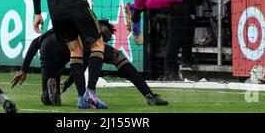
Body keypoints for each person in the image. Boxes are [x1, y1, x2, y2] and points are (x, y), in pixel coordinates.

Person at [10, 20, 168, 106]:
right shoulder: (91, 36)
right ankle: (150, 96)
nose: (104, 41)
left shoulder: (74, 20)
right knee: (117, 56)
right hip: (73, 45)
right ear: (98, 29)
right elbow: (83, 65)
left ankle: (50, 93)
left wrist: (23, 69)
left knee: (50, 100)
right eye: (104, 37)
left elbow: (34, 43)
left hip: (48, 46)